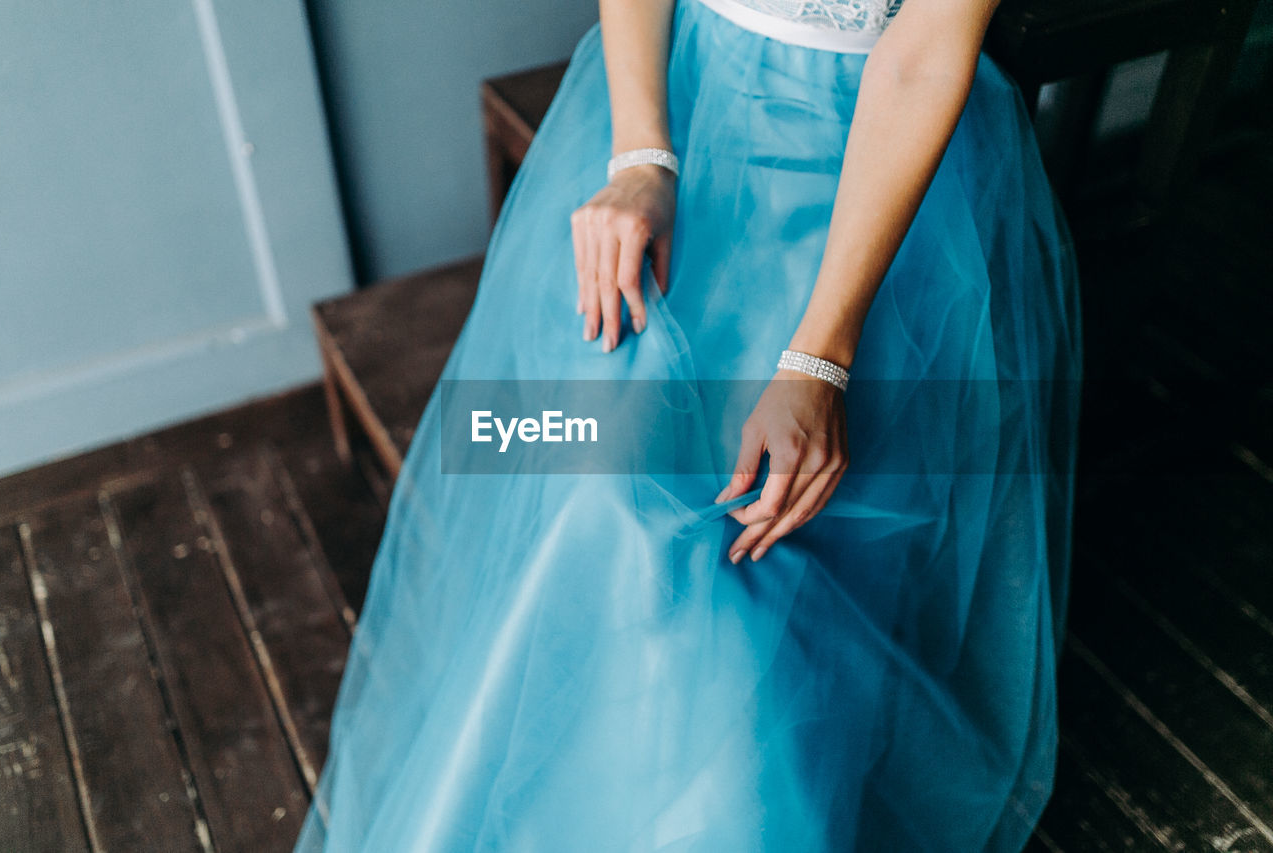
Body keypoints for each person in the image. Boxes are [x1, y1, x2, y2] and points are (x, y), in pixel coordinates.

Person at [294, 0, 1083, 848]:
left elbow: (922, 57)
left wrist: (817, 361)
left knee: (717, 523)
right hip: (676, 101)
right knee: (580, 474)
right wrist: (640, 158)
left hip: (861, 158)